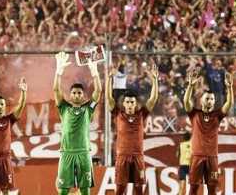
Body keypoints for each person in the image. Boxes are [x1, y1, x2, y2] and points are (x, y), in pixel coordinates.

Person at [106, 63, 159, 195]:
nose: (130, 104)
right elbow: (109, 98)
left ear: (136, 104)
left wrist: (155, 81)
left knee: (139, 189)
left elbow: (153, 99)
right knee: (120, 190)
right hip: (122, 157)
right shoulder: (118, 113)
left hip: (138, 157)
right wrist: (108, 79)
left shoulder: (141, 114)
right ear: (124, 103)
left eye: (132, 102)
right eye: (128, 102)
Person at [53, 51, 101, 195]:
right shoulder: (64, 107)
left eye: (79, 93)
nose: (76, 95)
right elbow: (56, 90)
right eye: (74, 93)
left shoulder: (88, 109)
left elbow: (98, 90)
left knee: (85, 190)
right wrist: (59, 70)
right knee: (63, 191)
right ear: (70, 95)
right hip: (66, 152)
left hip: (83, 153)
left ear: (83, 95)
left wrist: (94, 70)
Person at [183, 67, 234, 195]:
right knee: (193, 188)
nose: (210, 101)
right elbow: (186, 102)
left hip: (212, 157)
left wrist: (229, 88)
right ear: (201, 100)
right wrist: (190, 86)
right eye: (207, 99)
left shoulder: (217, 115)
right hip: (197, 156)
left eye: (212, 99)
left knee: (212, 189)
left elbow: (229, 103)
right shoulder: (195, 114)